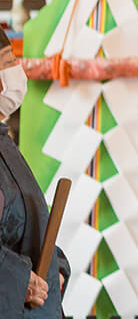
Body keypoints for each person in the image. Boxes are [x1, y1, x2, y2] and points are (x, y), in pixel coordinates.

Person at [0, 26, 70, 318]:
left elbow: (24, 224)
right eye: (7, 63)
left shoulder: (4, 143)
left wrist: (55, 267)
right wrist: (19, 280)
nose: (16, 71)